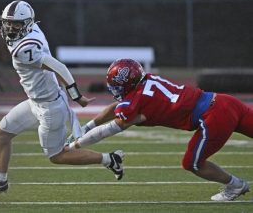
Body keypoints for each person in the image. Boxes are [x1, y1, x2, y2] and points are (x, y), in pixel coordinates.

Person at [0, 0, 124, 194]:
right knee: (2, 134)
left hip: (49, 107)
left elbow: (59, 67)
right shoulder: (32, 29)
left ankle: (110, 159)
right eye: (8, 22)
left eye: (16, 24)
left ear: (27, 23)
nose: (10, 27)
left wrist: (77, 96)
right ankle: (0, 181)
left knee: (57, 156)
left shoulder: (26, 50)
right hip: (36, 101)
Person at [66, 58, 252, 201]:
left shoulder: (134, 102)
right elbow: (117, 107)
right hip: (224, 101)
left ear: (127, 84)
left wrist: (76, 145)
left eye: (117, 86)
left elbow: (109, 129)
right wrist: (87, 126)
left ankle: (235, 185)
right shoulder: (146, 80)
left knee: (192, 163)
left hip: (213, 117)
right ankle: (236, 185)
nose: (114, 90)